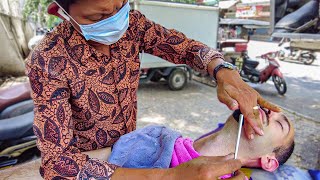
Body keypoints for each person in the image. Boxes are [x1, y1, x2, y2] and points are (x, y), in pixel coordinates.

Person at [25, 0, 280, 179]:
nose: (115, 21)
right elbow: (58, 165)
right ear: (61, 12)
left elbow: (185, 48)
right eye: (99, 17)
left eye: (120, 6)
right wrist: (170, 177)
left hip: (129, 149)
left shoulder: (133, 27)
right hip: (92, 166)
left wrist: (224, 70)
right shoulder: (49, 59)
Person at [107, 107, 295, 174]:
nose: (270, 112)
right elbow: (83, 163)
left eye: (280, 124)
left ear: (269, 161)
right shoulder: (157, 136)